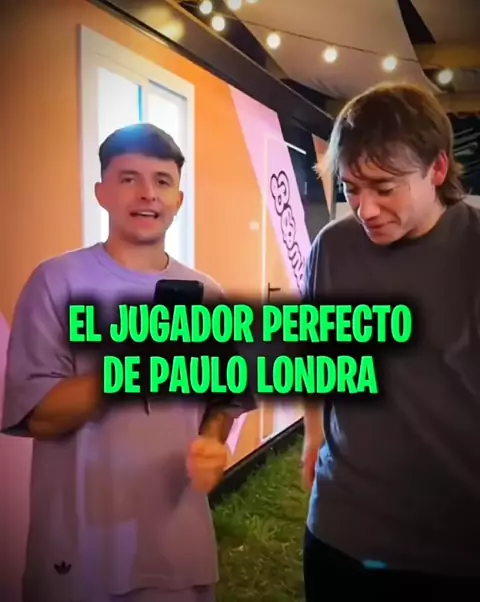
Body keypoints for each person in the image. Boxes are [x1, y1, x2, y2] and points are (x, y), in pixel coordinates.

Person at [2, 123, 253, 602]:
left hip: (176, 549)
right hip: (79, 556)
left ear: (178, 199)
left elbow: (223, 402)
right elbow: (39, 417)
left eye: (162, 181)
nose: (147, 194)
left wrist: (212, 442)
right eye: (128, 178)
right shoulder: (56, 282)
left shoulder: (208, 295)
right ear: (102, 193)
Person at [301, 83, 480, 596]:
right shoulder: (333, 247)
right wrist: (313, 435)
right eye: (352, 188)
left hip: (455, 548)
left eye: (384, 187)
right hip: (341, 531)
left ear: (437, 169)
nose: (365, 209)